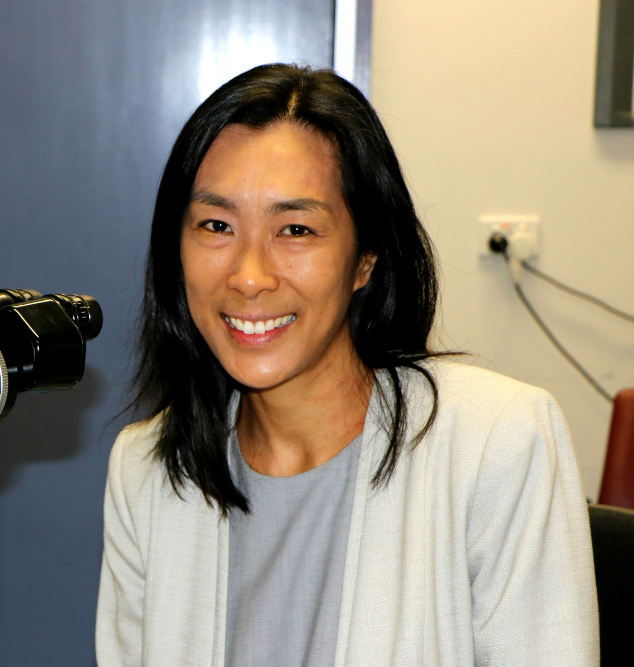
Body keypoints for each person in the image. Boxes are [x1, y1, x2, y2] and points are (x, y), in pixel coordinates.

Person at [95, 64, 598, 666]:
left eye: (297, 229)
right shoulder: (146, 471)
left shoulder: (497, 443)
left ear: (365, 259)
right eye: (217, 225)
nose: (249, 276)